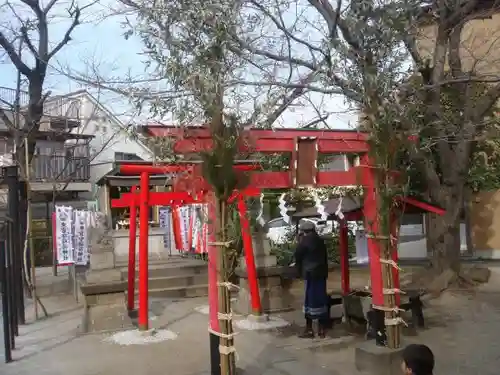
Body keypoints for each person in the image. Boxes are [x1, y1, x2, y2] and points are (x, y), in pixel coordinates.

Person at [294, 220, 329, 338]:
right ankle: (322, 329)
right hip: (321, 274)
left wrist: (299, 240)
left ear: (304, 231)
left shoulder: (304, 242)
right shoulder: (320, 241)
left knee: (309, 302)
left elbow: (297, 255)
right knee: (321, 299)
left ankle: (309, 329)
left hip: (310, 274)